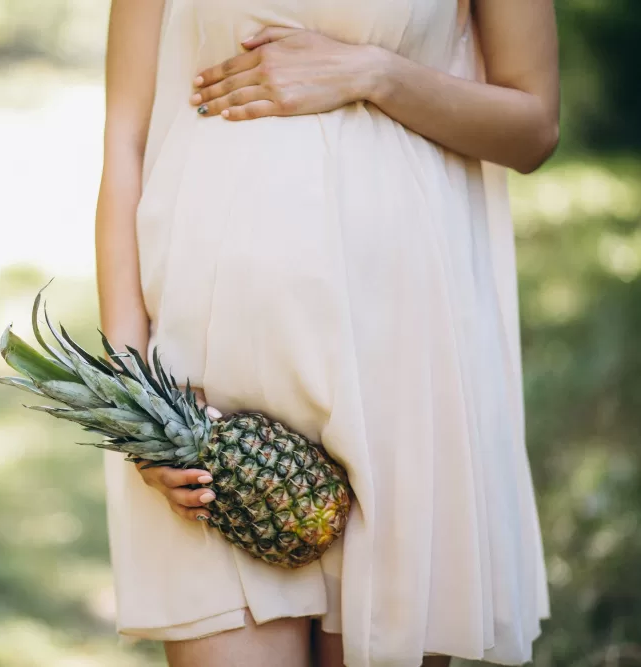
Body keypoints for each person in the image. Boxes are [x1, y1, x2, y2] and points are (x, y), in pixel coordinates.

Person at [93, 0, 558, 665]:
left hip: (403, 377)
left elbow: (534, 125)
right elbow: (124, 138)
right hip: (200, 395)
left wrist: (373, 74)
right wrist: (137, 399)